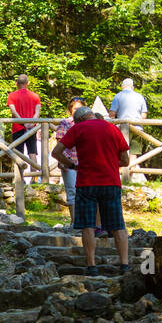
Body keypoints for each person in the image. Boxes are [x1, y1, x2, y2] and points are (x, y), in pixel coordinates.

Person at [51, 105, 130, 276]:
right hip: (111, 182)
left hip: (87, 183)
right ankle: (124, 265)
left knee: (88, 225)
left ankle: (91, 266)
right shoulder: (112, 128)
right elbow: (125, 159)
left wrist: (72, 165)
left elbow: (56, 152)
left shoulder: (78, 128)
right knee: (118, 225)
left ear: (79, 120)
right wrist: (109, 164)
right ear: (92, 115)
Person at [54, 96, 83, 226]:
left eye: (80, 108)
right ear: (70, 110)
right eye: (75, 108)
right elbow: (59, 143)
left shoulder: (85, 124)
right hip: (70, 160)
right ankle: (75, 222)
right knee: (72, 191)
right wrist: (63, 162)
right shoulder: (65, 123)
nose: (77, 111)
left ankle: (85, 222)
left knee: (85, 192)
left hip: (84, 162)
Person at [109, 77, 148, 174]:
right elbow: (144, 115)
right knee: (134, 152)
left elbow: (112, 114)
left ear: (123, 87)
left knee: (120, 152)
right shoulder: (140, 97)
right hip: (137, 128)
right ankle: (131, 174)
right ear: (133, 87)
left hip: (121, 129)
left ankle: (121, 175)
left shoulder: (118, 96)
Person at [6, 74, 41, 181]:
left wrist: (22, 122)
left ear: (17, 83)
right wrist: (31, 122)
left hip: (18, 127)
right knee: (32, 153)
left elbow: (13, 111)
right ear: (28, 83)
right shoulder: (35, 96)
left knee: (18, 154)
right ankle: (33, 179)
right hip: (32, 128)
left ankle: (20, 179)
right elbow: (37, 112)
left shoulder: (12, 95)